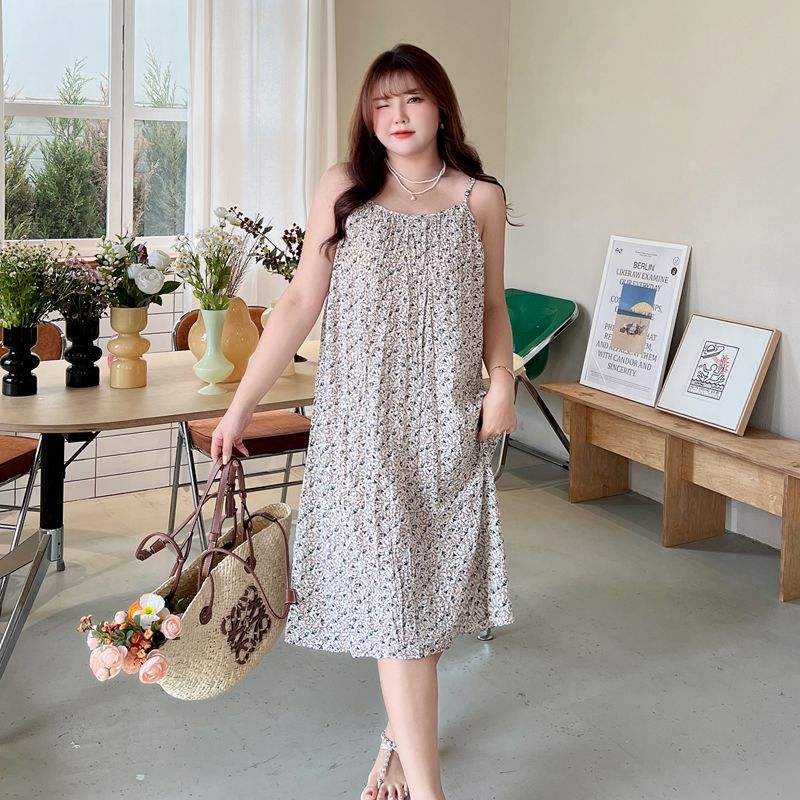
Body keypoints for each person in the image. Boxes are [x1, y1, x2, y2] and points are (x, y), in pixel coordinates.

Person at [211, 42, 518, 800]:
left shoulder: (480, 198)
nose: (396, 115)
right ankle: (431, 790)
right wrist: (241, 404)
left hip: (447, 424)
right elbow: (297, 302)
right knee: (400, 596)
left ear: (440, 105)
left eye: (411, 98)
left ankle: (395, 743)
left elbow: (492, 306)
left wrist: (502, 383)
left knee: (425, 592)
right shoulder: (345, 187)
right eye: (381, 103)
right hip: (363, 430)